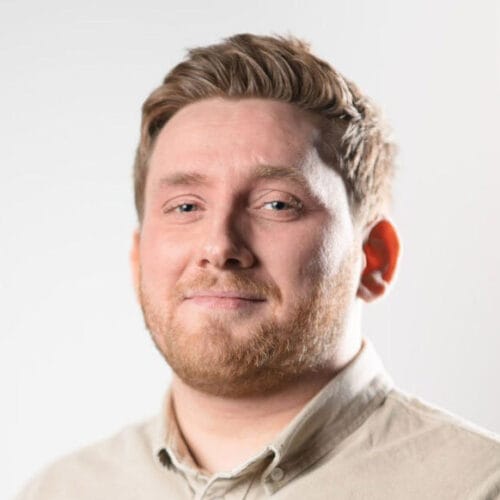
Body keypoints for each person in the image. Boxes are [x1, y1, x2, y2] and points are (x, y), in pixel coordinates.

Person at [16, 33, 500, 500]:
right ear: (139, 258)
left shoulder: (479, 487)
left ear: (374, 260)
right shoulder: (58, 492)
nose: (219, 246)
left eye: (277, 204)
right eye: (185, 206)